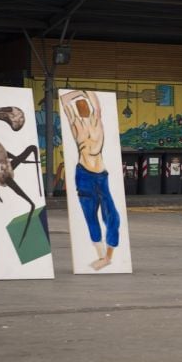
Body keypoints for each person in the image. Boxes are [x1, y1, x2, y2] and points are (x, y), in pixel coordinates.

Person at [60, 90, 121, 271]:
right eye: (80, 104)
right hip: (84, 175)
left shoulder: (96, 121)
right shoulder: (75, 124)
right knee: (90, 216)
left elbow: (97, 104)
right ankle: (102, 256)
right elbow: (64, 100)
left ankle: (108, 256)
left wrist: (85, 93)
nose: (82, 105)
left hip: (101, 175)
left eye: (84, 103)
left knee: (112, 216)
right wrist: (79, 93)